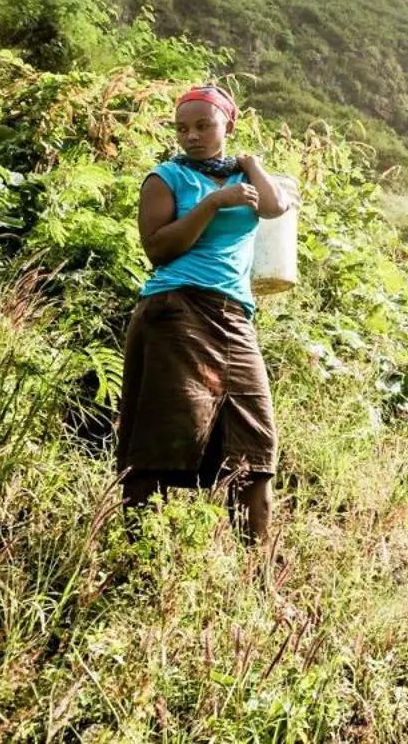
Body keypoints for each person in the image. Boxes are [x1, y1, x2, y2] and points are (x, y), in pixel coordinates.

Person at [116, 83, 292, 543]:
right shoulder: (166, 178)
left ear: (227, 125)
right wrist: (213, 204)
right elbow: (158, 249)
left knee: (256, 447)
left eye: (203, 125)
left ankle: (258, 584)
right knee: (160, 439)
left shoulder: (244, 176)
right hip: (175, 311)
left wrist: (251, 165)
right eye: (182, 128)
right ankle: (133, 560)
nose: (191, 135)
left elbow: (275, 207)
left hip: (235, 318)